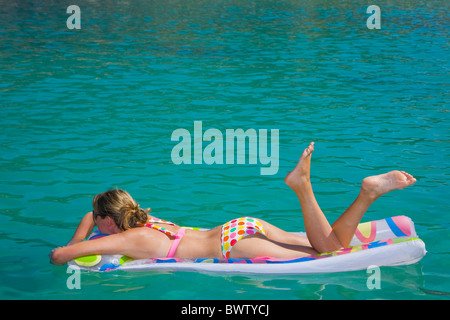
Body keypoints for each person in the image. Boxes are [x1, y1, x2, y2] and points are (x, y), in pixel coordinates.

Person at [49, 142, 417, 265]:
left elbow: (61, 256)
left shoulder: (127, 239)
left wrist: (70, 245)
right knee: (326, 244)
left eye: (98, 222)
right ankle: (362, 193)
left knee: (330, 253)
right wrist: (90, 219)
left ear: (107, 222)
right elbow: (91, 216)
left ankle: (310, 188)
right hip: (238, 227)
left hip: (231, 246)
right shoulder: (146, 220)